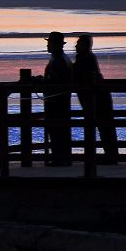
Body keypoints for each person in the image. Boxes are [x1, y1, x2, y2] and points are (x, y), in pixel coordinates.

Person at [73, 34, 119, 164]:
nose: (75, 46)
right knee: (105, 128)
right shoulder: (86, 58)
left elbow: (74, 75)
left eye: (78, 43)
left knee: (104, 128)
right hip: (97, 98)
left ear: (85, 45)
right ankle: (111, 157)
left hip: (97, 99)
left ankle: (110, 157)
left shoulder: (85, 59)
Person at [43, 31, 73, 166]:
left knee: (56, 130)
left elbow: (56, 81)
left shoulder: (59, 60)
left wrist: (42, 83)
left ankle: (59, 159)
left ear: (55, 44)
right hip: (60, 100)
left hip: (56, 101)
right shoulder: (61, 58)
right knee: (60, 130)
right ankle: (62, 158)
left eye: (49, 43)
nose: (47, 45)